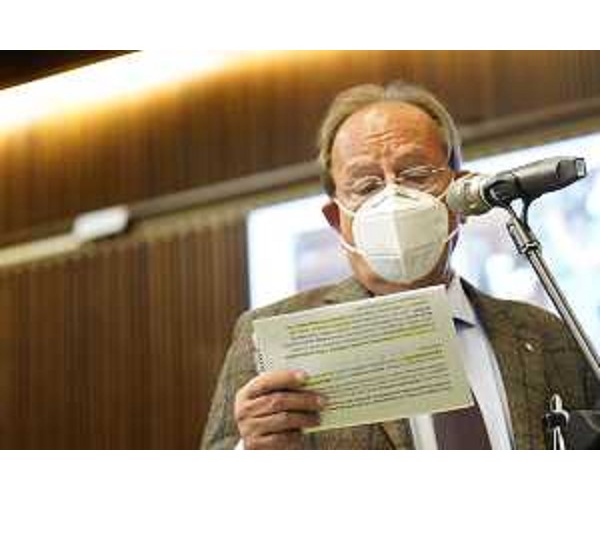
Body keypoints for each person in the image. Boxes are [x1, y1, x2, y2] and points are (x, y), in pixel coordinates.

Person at [201, 81, 598, 450]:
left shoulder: (547, 336)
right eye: (366, 186)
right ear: (337, 220)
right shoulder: (268, 343)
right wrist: (249, 453)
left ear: (462, 195)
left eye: (416, 174)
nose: (392, 198)